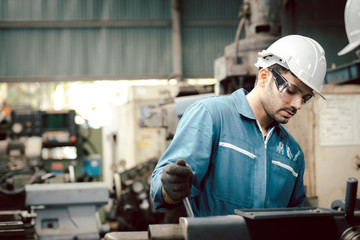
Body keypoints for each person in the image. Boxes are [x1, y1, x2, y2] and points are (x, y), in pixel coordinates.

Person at [150, 35, 327, 217]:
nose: (298, 105)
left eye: (305, 97)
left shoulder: (293, 152)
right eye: (291, 91)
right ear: (265, 76)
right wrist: (170, 189)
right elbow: (162, 189)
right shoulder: (211, 116)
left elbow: (295, 218)